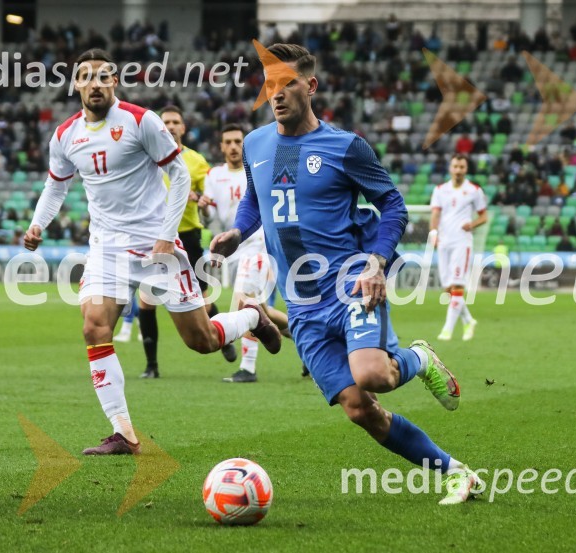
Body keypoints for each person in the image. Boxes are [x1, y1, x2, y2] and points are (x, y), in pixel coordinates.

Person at [210, 43, 483, 505]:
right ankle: (457, 473)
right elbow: (256, 200)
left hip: (351, 281)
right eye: (269, 84)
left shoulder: (345, 147)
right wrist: (238, 231)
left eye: (287, 83)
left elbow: (393, 204)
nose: (276, 94)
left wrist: (377, 262)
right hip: (302, 301)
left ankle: (417, 358)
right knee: (360, 409)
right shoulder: (257, 143)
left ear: (310, 86)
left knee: (373, 374)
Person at [24, 49, 281, 455]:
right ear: (75, 85)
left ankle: (252, 315)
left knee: (200, 341)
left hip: (155, 247)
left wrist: (165, 235)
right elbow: (56, 185)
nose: (95, 83)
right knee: (94, 326)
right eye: (86, 77)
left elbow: (178, 175)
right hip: (106, 248)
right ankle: (123, 432)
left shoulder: (141, 121)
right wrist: (39, 223)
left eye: (103, 76)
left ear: (114, 82)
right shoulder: (65, 136)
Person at [116, 105, 238, 378]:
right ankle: (152, 366)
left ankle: (224, 338)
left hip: (187, 236)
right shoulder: (146, 155)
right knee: (147, 300)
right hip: (153, 237)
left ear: (183, 128)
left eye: (175, 122)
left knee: (203, 302)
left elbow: (209, 201)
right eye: (166, 121)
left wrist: (203, 202)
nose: (170, 126)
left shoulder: (196, 161)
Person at [202, 123, 302, 383]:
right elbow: (211, 218)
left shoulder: (257, 170)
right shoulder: (213, 176)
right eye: (229, 142)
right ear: (221, 146)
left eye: (238, 141)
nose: (234, 146)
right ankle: (312, 345)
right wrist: (203, 209)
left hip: (258, 244)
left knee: (245, 303)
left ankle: (247, 368)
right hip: (234, 249)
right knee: (264, 314)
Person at [429, 154, 488, 342]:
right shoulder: (440, 190)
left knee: (457, 285)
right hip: (444, 241)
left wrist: (473, 224)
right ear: (450, 168)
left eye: (461, 167)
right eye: (455, 166)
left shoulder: (474, 190)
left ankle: (447, 330)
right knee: (448, 288)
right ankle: (469, 320)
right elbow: (435, 215)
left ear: (466, 169)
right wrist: (433, 233)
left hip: (462, 242)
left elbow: (483, 216)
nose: (458, 170)